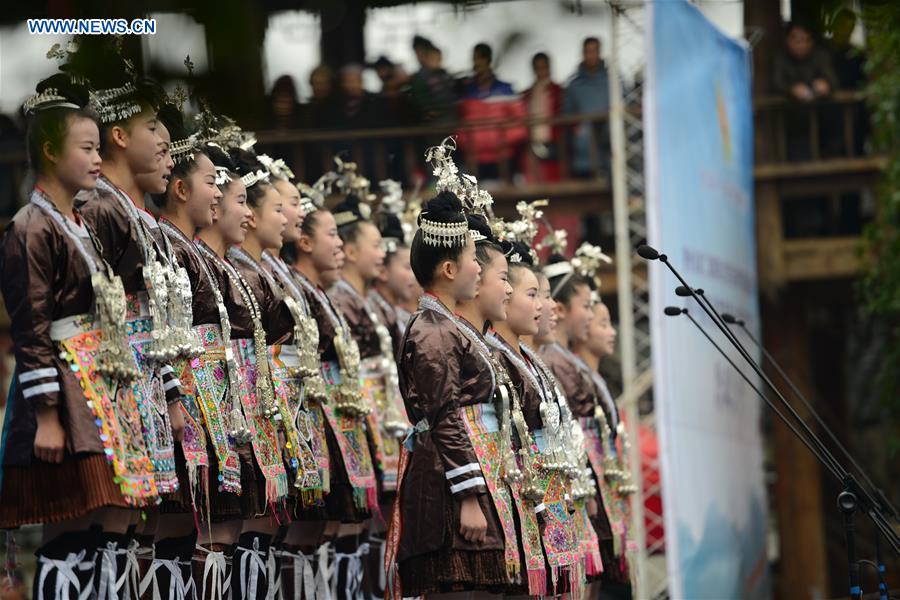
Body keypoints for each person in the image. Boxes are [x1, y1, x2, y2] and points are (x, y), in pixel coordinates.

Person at [0, 73, 154, 600]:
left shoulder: (79, 224)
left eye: (97, 147)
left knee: (105, 526)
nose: (96, 158)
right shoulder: (29, 227)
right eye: (86, 148)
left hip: (97, 384)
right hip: (63, 390)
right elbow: (31, 324)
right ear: (49, 149)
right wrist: (46, 414)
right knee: (70, 529)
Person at [486, 243, 587, 596]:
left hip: (551, 487)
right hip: (527, 490)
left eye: (543, 296)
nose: (543, 306)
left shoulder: (527, 356)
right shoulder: (495, 356)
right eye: (533, 294)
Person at [541, 252, 635, 595]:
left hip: (592, 481)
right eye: (587, 306)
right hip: (580, 483)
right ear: (562, 310)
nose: (593, 315)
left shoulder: (567, 363)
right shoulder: (554, 362)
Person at [563, 37, 611, 177]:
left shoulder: (613, 80)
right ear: (583, 53)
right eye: (587, 51)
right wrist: (578, 130)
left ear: (600, 52)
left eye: (594, 50)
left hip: (610, 152)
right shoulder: (574, 84)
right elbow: (567, 115)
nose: (590, 55)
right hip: (584, 154)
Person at [523, 52, 564, 182]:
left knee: (554, 179)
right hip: (533, 143)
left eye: (544, 67)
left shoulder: (558, 91)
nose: (541, 71)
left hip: (553, 142)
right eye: (538, 68)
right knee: (535, 180)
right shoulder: (528, 94)